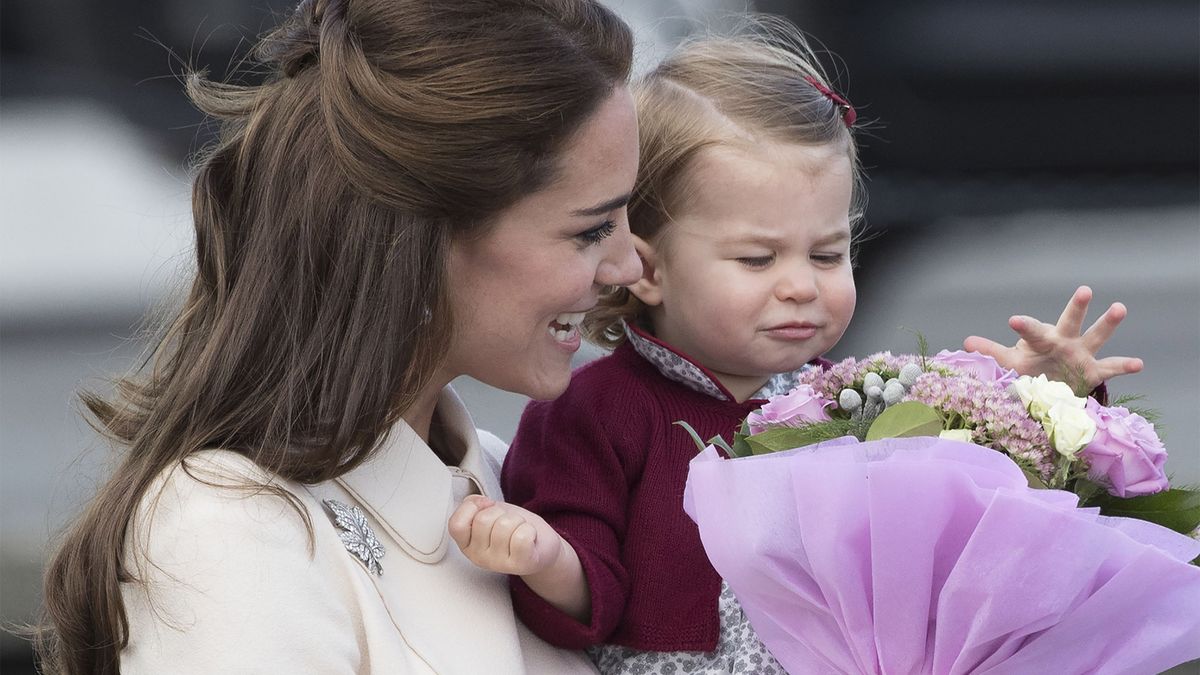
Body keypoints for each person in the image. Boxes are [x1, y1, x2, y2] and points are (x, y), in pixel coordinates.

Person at [448, 18, 1144, 674]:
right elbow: (583, 603)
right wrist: (545, 558)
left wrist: (1043, 399)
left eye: (826, 253)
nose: (800, 287)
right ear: (650, 267)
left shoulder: (860, 395)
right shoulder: (595, 411)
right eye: (757, 259)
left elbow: (971, 524)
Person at [35, 0, 643, 673]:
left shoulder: (515, 477)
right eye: (590, 229)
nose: (630, 267)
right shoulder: (228, 529)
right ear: (427, 235)